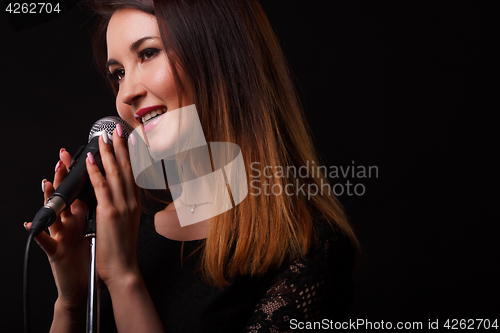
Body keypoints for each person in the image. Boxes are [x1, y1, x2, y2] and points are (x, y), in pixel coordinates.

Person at [27, 0, 360, 331]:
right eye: (118, 74)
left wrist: (123, 277)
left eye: (147, 53)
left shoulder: (309, 249)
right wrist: (72, 301)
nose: (126, 93)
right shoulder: (121, 236)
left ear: (220, 57)